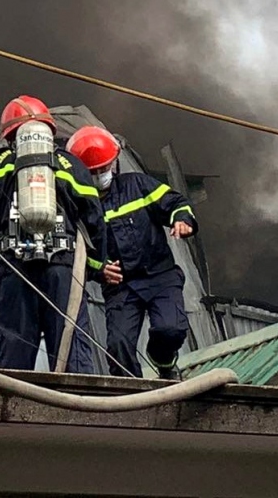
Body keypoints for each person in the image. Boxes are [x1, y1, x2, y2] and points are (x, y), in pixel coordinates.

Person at [0, 95, 106, 372]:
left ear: (8, 134)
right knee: (69, 347)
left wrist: (5, 249)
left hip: (14, 265)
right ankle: (77, 406)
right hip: (62, 266)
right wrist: (94, 268)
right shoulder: (72, 164)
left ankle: (8, 409)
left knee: (12, 352)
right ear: (50, 129)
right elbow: (94, 219)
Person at [67, 124, 197, 379]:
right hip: (122, 288)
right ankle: (131, 396)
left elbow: (175, 202)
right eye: (93, 171)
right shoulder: (78, 206)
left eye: (104, 168)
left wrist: (183, 221)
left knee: (170, 329)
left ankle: (164, 362)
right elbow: (73, 252)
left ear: (114, 163)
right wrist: (100, 269)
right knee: (118, 347)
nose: (100, 175)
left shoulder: (137, 185)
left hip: (160, 276)